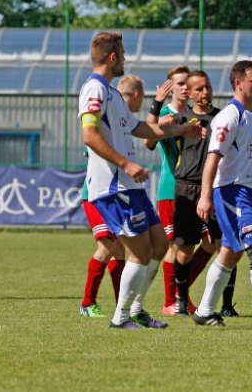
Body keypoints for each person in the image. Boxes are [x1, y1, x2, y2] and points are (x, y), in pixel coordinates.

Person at [79, 31, 201, 330]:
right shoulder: (93, 90)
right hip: (113, 187)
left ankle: (136, 310)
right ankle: (121, 318)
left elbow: (140, 129)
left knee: (159, 245)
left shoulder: (113, 95)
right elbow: (89, 135)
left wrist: (179, 131)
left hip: (130, 187)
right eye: (122, 54)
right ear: (112, 57)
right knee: (139, 251)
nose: (125, 59)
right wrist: (126, 163)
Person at [192, 60, 252, 329]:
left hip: (250, 192)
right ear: (238, 83)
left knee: (230, 252)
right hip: (230, 193)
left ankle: (204, 310)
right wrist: (205, 195)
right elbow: (212, 159)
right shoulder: (228, 116)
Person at [79, 74, 144, 318]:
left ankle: (121, 307)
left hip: (115, 190)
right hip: (97, 192)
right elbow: (91, 143)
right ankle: (87, 303)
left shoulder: (119, 120)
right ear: (136, 96)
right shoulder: (106, 116)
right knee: (109, 246)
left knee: (119, 250)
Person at [168, 70, 233, 316]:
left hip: (217, 189)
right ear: (190, 93)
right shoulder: (182, 121)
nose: (204, 93)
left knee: (225, 245)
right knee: (184, 248)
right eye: (198, 89)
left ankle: (226, 305)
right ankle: (181, 300)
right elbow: (151, 140)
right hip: (187, 187)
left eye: (207, 87)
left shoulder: (222, 118)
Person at [143, 65, 194, 316]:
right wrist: (156, 108)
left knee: (200, 245)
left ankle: (182, 296)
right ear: (171, 86)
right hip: (171, 189)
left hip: (195, 189)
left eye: (188, 82)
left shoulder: (197, 114)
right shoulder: (163, 112)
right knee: (174, 246)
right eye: (181, 83)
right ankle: (169, 302)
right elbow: (148, 141)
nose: (186, 87)